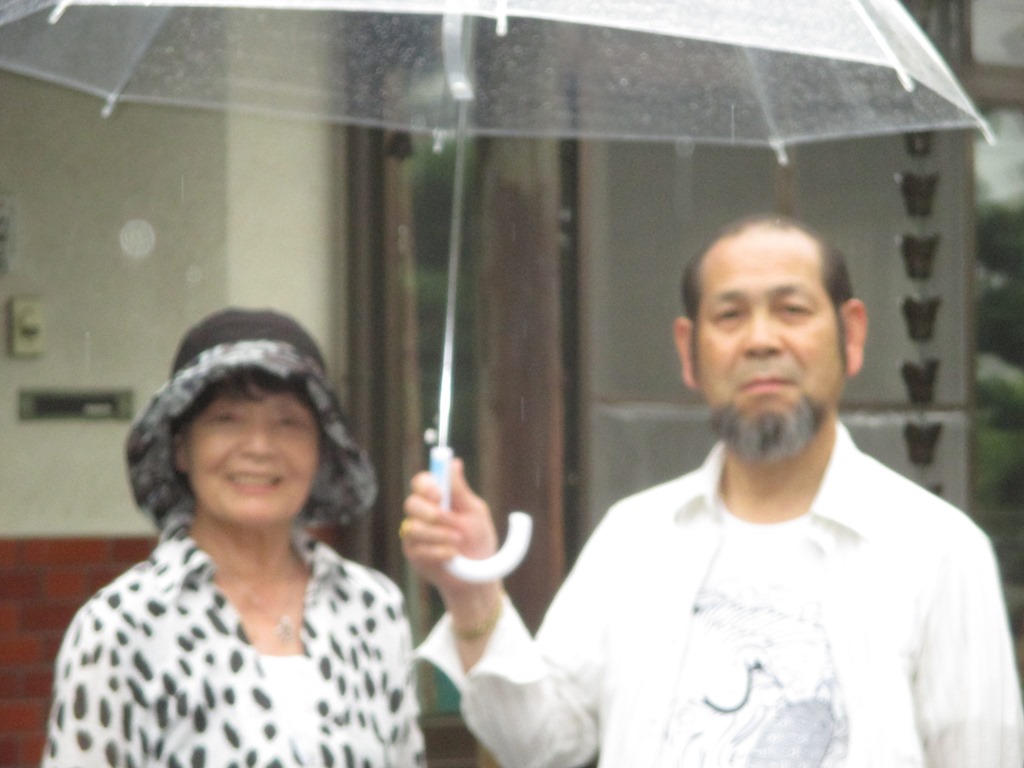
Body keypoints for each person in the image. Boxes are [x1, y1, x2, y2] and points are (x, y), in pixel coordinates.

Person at [401, 215, 1024, 767]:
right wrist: (472, 594)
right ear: (689, 350)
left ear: (851, 334)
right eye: (730, 316)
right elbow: (541, 746)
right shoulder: (634, 537)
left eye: (792, 310)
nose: (761, 340)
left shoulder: (939, 551)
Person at [43, 308, 425, 767]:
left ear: (322, 450)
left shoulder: (372, 609)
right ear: (181, 448)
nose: (259, 447)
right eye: (227, 419)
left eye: (288, 422)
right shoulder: (120, 628)